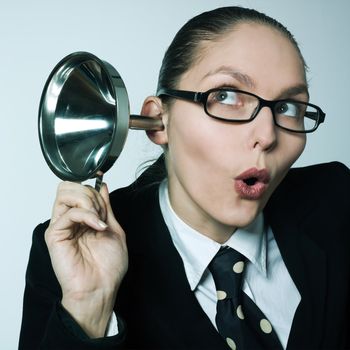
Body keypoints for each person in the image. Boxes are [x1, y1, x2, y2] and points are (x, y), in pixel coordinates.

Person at [19, 6, 350, 350]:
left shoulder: (337, 201)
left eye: (288, 107)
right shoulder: (71, 250)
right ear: (158, 121)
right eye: (225, 96)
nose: (267, 135)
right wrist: (89, 307)